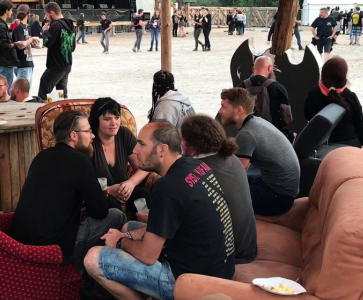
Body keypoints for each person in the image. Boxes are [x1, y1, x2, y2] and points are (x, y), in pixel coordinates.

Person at [84, 122, 235, 300]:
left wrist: (119, 242)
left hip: (192, 282)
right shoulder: (195, 166)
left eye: (142, 144)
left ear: (162, 150)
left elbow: (148, 256)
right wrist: (126, 235)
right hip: (221, 269)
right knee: (129, 227)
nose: (136, 150)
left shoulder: (167, 188)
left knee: (93, 258)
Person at [10, 110, 126, 272]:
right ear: (73, 136)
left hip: (19, 246)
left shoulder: (41, 157)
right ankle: (89, 275)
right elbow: (100, 211)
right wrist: (101, 195)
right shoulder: (80, 161)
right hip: (54, 249)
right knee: (117, 215)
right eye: (88, 131)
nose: (93, 136)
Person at [180, 114, 257, 263]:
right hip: (247, 248)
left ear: (192, 146)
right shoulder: (232, 159)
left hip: (229, 256)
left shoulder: (197, 170)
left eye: (182, 140)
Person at [219, 87, 300, 216]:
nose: (220, 111)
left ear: (239, 110)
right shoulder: (257, 122)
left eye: (224, 107)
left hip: (278, 198)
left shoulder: (246, 134)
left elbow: (235, 175)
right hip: (280, 188)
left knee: (220, 193)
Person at [89, 98, 151, 215]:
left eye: (117, 118)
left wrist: (131, 183)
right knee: (110, 204)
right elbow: (82, 180)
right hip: (101, 194)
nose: (114, 123)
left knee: (143, 195)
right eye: (107, 119)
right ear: (96, 121)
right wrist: (108, 191)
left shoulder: (124, 134)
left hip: (125, 190)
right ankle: (118, 232)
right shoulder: (89, 141)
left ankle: (144, 228)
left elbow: (144, 166)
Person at [305, 57, 363, 153]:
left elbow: (307, 115)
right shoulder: (350, 97)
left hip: (321, 145)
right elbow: (360, 124)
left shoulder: (313, 94)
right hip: (350, 144)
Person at [238, 56, 292, 132]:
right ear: (270, 68)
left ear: (253, 69)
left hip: (247, 133)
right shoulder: (278, 88)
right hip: (272, 134)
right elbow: (287, 119)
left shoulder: (240, 88)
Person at [38, 2, 76, 99]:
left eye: (46, 15)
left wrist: (45, 31)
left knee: (44, 90)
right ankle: (63, 110)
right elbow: (72, 48)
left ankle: (45, 111)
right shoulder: (71, 25)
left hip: (56, 65)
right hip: (67, 64)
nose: (46, 18)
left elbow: (47, 42)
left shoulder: (56, 25)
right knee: (61, 93)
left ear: (51, 13)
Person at [0, 0, 19, 93]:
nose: (11, 12)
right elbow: (2, 45)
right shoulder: (1, 25)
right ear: (6, 11)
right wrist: (15, 44)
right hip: (4, 63)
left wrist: (12, 27)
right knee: (4, 92)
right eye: (11, 10)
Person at [13, 5, 36, 85]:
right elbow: (22, 45)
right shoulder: (19, 28)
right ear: (28, 14)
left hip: (26, 63)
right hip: (23, 64)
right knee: (23, 92)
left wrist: (31, 41)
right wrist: (31, 39)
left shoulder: (24, 28)